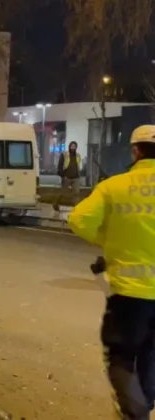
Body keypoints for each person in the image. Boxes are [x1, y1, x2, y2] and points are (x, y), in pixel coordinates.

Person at [68, 124, 155, 420]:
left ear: (135, 151)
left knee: (121, 354)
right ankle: (143, 403)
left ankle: (136, 412)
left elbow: (79, 220)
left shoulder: (113, 187)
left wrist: (109, 239)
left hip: (128, 293)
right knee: (151, 354)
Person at [54, 141, 83, 211]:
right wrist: (62, 175)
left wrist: (79, 173)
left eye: (74, 146)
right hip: (67, 177)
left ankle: (77, 207)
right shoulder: (64, 154)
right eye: (72, 146)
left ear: (76, 147)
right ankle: (56, 203)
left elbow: (79, 165)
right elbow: (60, 165)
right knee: (64, 193)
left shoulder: (78, 155)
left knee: (76, 192)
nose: (73, 147)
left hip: (76, 177)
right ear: (69, 147)